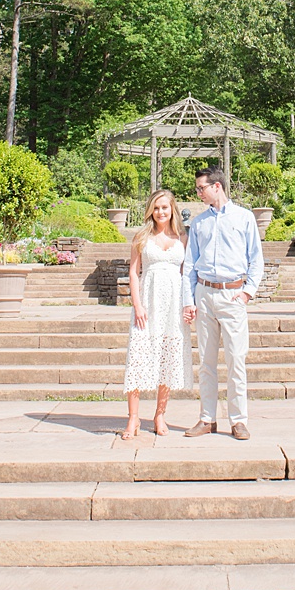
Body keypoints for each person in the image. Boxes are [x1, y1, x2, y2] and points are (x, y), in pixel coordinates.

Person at [182, 165, 264, 440]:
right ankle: (207, 419)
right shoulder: (199, 223)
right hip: (204, 294)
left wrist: (247, 292)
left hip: (232, 294)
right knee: (205, 362)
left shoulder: (244, 218)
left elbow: (256, 258)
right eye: (197, 189)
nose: (198, 193)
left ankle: (238, 421)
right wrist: (189, 300)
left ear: (217, 186)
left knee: (235, 360)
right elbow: (190, 264)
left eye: (201, 188)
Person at [122, 188, 194, 439]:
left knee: (168, 357)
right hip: (148, 304)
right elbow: (133, 272)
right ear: (150, 210)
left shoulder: (183, 237)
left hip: (174, 306)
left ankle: (159, 415)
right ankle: (133, 418)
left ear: (172, 209)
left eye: (165, 207)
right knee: (139, 357)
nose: (160, 212)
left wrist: (189, 304)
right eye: (156, 207)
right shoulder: (141, 237)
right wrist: (137, 305)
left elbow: (188, 274)